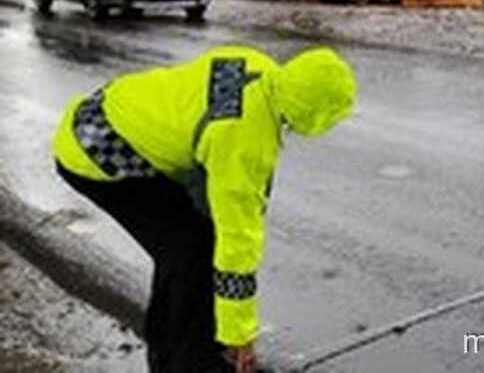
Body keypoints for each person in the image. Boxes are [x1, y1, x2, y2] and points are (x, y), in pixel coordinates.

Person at [52, 46, 356, 373]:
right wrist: (239, 336)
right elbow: (237, 242)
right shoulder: (244, 138)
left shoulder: (258, 66)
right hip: (97, 151)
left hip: (99, 116)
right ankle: (190, 363)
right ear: (314, 116)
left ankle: (178, 352)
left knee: (188, 246)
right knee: (189, 249)